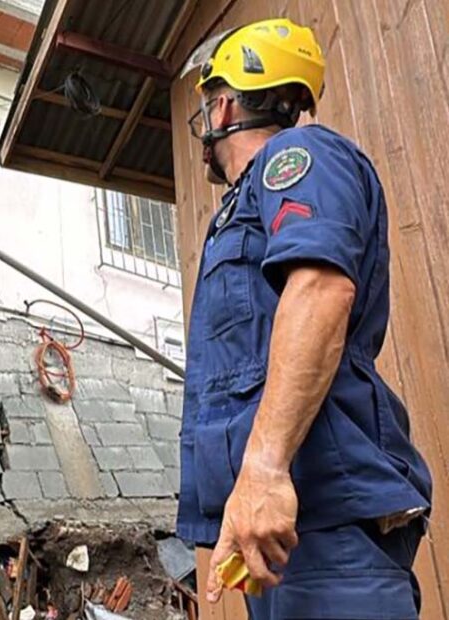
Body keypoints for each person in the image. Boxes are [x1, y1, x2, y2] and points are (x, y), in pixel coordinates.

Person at [177, 18, 433, 619]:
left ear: (224, 107)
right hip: (277, 538)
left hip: (321, 523)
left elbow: (319, 288)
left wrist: (263, 469)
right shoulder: (237, 208)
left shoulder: (297, 155)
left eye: (210, 103)